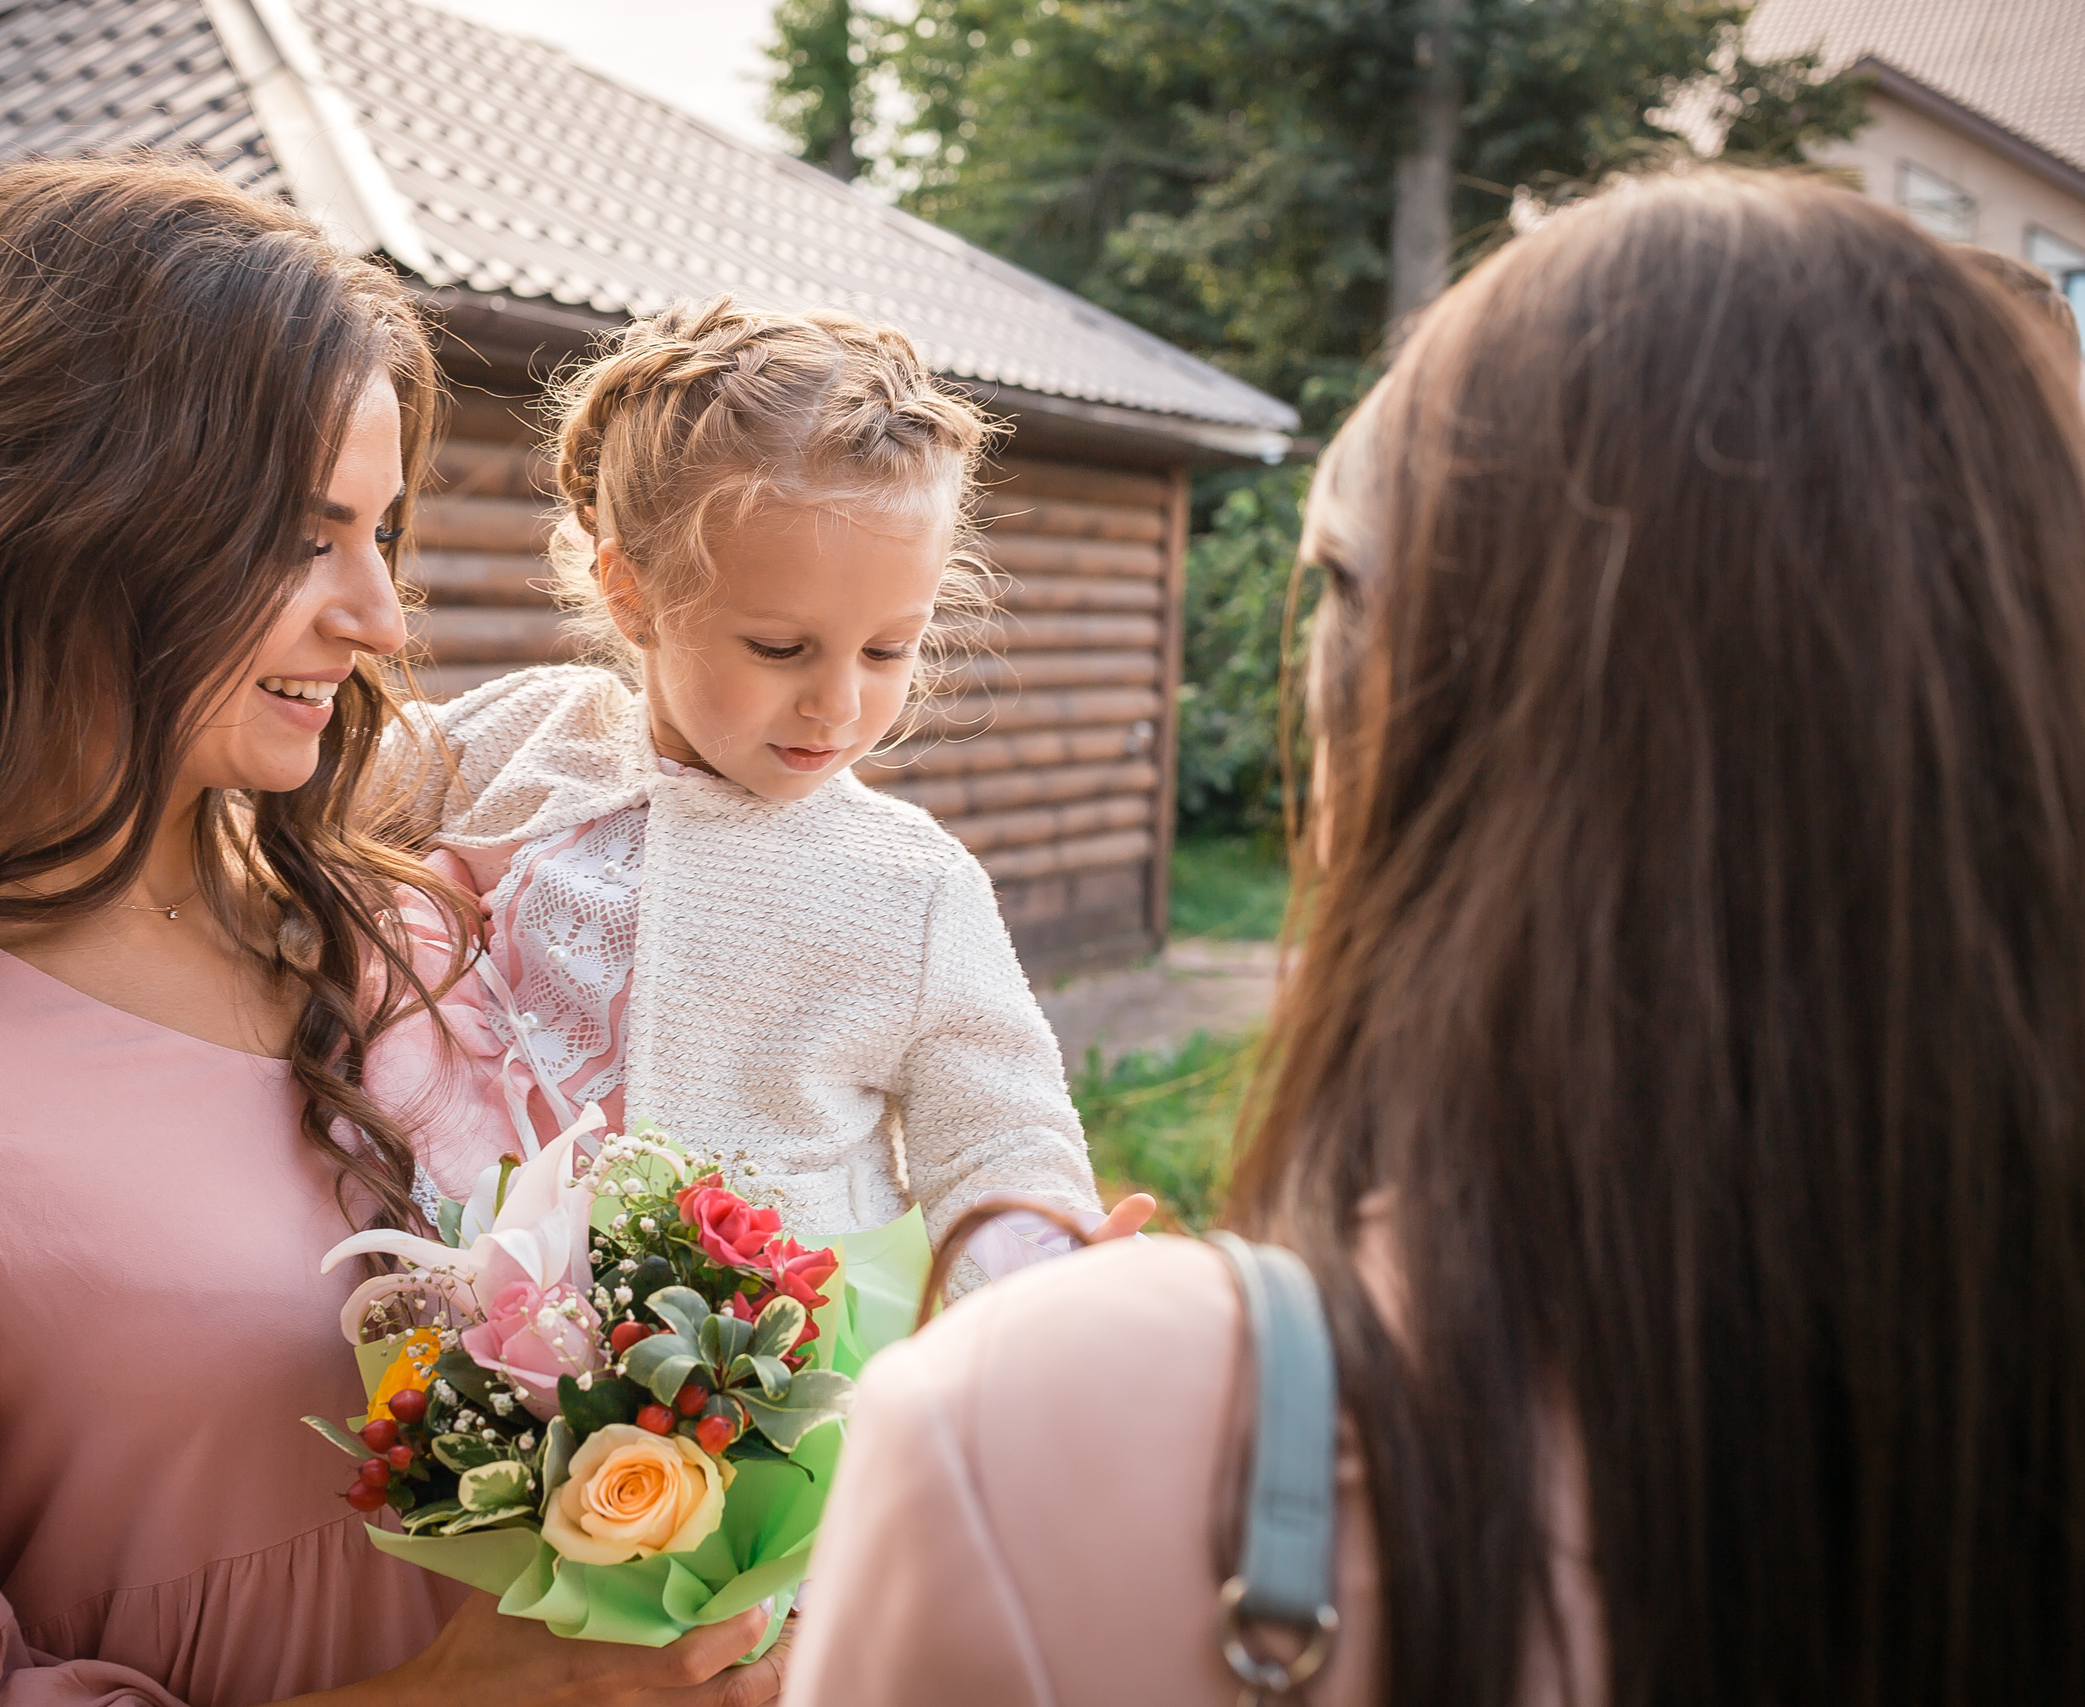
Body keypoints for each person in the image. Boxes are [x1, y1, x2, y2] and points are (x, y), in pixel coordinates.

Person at [789, 168, 2085, 1705]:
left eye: (887, 648)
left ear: (1397, 700)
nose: (844, 699)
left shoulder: (1027, 1438)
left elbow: (995, 1096)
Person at [0, 158, 782, 1707]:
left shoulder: (406, 926)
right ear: (55, 523)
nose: (379, 617)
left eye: (379, 535)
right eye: (296, 536)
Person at [370, 298, 1148, 1286]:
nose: (837, 701)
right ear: (631, 593)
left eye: (886, 649)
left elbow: (995, 1140)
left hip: (779, 1399)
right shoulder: (524, 741)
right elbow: (296, 826)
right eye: (780, 648)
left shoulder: (913, 884)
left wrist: (1045, 1263)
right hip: (472, 1369)